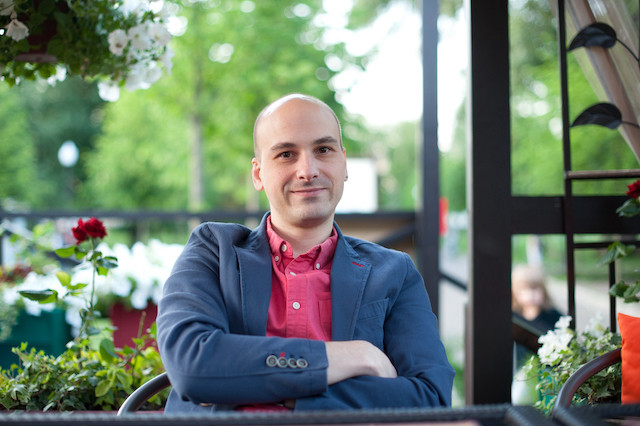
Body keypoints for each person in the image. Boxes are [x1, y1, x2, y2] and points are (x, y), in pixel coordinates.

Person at [156, 94, 454, 412]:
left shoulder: (394, 272)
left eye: (323, 150)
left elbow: (430, 397)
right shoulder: (214, 251)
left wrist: (284, 393)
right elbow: (191, 365)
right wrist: (354, 356)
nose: (307, 170)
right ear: (258, 174)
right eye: (286, 154)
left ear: (343, 163)